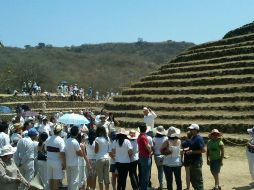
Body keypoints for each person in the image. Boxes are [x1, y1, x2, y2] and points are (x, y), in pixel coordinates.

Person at [185, 124, 206, 190]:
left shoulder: (199, 138)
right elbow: (192, 147)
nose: (190, 130)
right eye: (190, 129)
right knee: (192, 178)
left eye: (192, 129)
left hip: (197, 161)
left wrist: (192, 152)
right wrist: (187, 149)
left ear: (196, 130)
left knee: (198, 179)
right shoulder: (193, 137)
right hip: (192, 161)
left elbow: (203, 150)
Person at [46, 124, 66, 190]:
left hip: (48, 161)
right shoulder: (61, 140)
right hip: (57, 162)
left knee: (50, 180)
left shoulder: (48, 139)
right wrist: (64, 164)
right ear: (60, 131)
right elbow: (62, 153)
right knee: (56, 181)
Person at [65, 126, 84, 190]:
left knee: (69, 180)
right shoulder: (75, 142)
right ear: (76, 133)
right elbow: (81, 154)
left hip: (68, 163)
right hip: (74, 164)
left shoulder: (67, 140)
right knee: (75, 181)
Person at [137, 123, 152, 190]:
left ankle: (143, 187)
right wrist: (151, 151)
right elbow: (148, 147)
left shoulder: (140, 136)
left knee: (143, 172)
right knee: (146, 174)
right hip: (145, 156)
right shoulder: (143, 137)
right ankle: (144, 188)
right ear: (145, 129)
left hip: (141, 155)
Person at [95, 125, 110, 190]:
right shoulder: (107, 138)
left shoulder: (97, 139)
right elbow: (108, 149)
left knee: (100, 178)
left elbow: (96, 151)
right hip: (107, 158)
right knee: (106, 177)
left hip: (100, 159)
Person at [153, 126, 168, 190]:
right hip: (164, 155)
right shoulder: (166, 138)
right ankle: (168, 184)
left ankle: (161, 185)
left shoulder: (154, 139)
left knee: (160, 171)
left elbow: (153, 148)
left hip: (157, 155)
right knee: (167, 170)